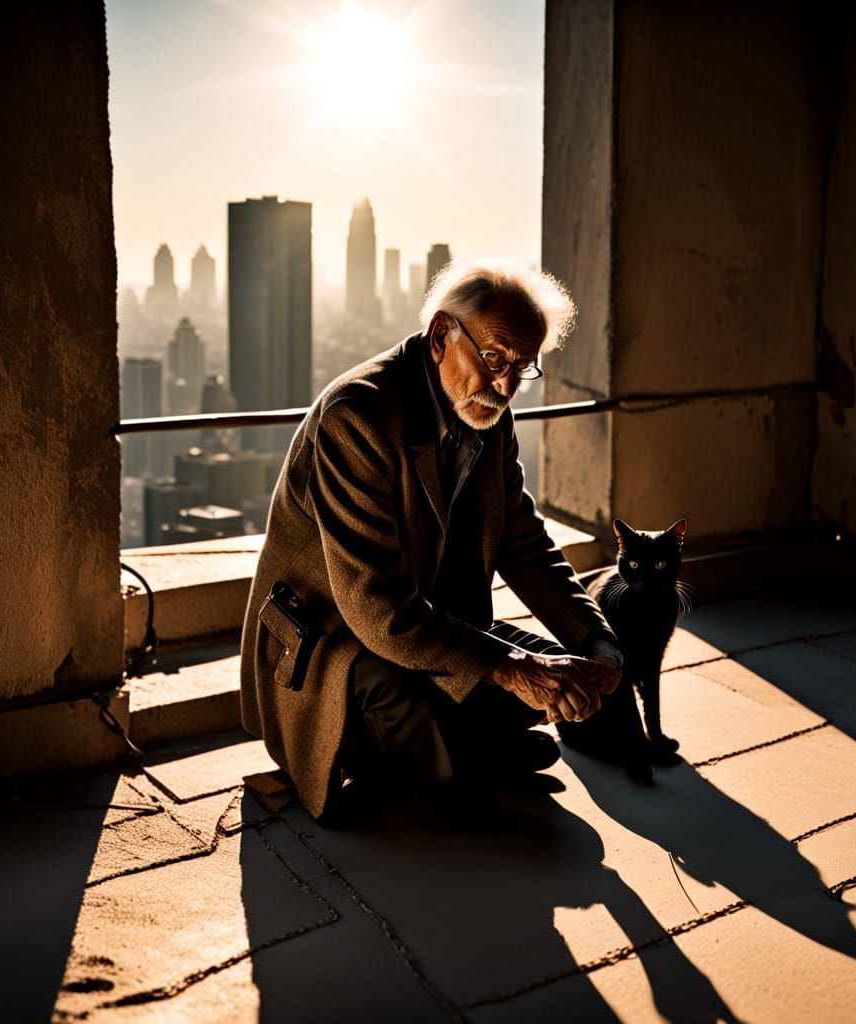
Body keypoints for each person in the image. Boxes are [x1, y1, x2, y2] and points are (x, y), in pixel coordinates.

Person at [240, 261, 623, 826]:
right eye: (494, 359)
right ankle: (456, 757)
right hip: (336, 642)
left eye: (522, 367)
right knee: (447, 733)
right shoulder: (358, 417)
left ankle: (457, 747)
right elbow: (377, 611)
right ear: (441, 335)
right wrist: (513, 670)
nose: (505, 385)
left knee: (555, 676)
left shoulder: (489, 411)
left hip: (429, 622)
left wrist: (595, 639)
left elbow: (524, 542)